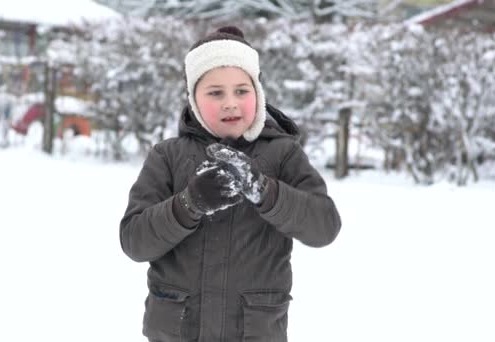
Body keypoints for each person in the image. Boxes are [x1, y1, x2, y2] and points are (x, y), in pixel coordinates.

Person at [119, 26, 341, 342]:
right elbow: (134, 241)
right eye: (215, 92)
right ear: (193, 99)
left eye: (241, 90)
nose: (230, 103)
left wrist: (266, 191)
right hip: (179, 331)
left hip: (253, 330)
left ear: (258, 93)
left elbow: (324, 227)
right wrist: (188, 204)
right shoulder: (168, 156)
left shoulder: (282, 154)